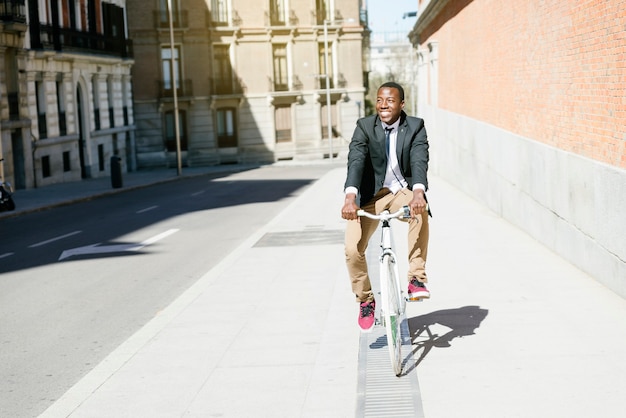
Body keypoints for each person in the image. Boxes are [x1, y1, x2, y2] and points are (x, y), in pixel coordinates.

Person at [341, 81, 431, 332]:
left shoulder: (415, 126)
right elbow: (356, 160)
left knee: (419, 212)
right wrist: (351, 196)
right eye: (380, 100)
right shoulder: (364, 127)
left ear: (402, 104)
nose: (383, 105)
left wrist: (418, 193)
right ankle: (366, 300)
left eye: (390, 101)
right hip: (371, 196)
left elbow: (419, 159)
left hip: (402, 191)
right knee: (352, 248)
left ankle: (416, 278)